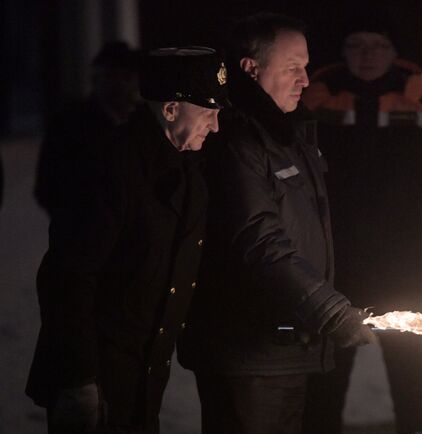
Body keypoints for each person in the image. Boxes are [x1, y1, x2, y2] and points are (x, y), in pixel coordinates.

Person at [176, 13, 375, 434]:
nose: (305, 79)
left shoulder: (288, 137)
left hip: (284, 346)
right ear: (251, 68)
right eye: (292, 68)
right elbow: (259, 239)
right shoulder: (236, 140)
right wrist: (328, 309)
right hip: (247, 351)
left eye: (306, 67)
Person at [26, 47, 225, 434]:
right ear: (170, 110)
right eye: (208, 113)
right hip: (97, 377)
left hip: (142, 371)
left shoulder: (186, 172)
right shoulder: (111, 167)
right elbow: (67, 278)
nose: (216, 126)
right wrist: (79, 379)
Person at [302, 19, 422, 434]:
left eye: (378, 45)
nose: (368, 55)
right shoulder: (317, 99)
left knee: (412, 384)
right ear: (343, 52)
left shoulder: (421, 100)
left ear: (395, 53)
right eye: (357, 45)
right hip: (336, 268)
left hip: (407, 269)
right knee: (325, 384)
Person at [35, 41, 142, 218]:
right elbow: (48, 188)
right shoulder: (70, 126)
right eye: (125, 77)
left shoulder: (138, 123)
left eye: (132, 77)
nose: (132, 86)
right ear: (103, 79)